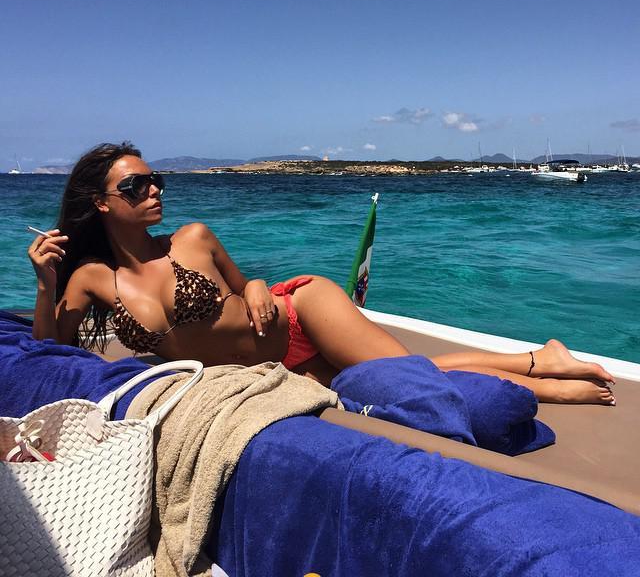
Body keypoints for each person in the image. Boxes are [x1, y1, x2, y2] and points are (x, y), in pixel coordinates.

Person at [29, 142, 615, 405]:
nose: (154, 190)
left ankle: (540, 367)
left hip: (301, 314)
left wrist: (257, 284)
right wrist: (45, 286)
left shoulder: (193, 237)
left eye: (156, 180)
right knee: (401, 387)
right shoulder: (89, 279)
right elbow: (49, 353)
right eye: (136, 185)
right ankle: (541, 365)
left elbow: (245, 286)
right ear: (101, 202)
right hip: (275, 369)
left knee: (406, 373)